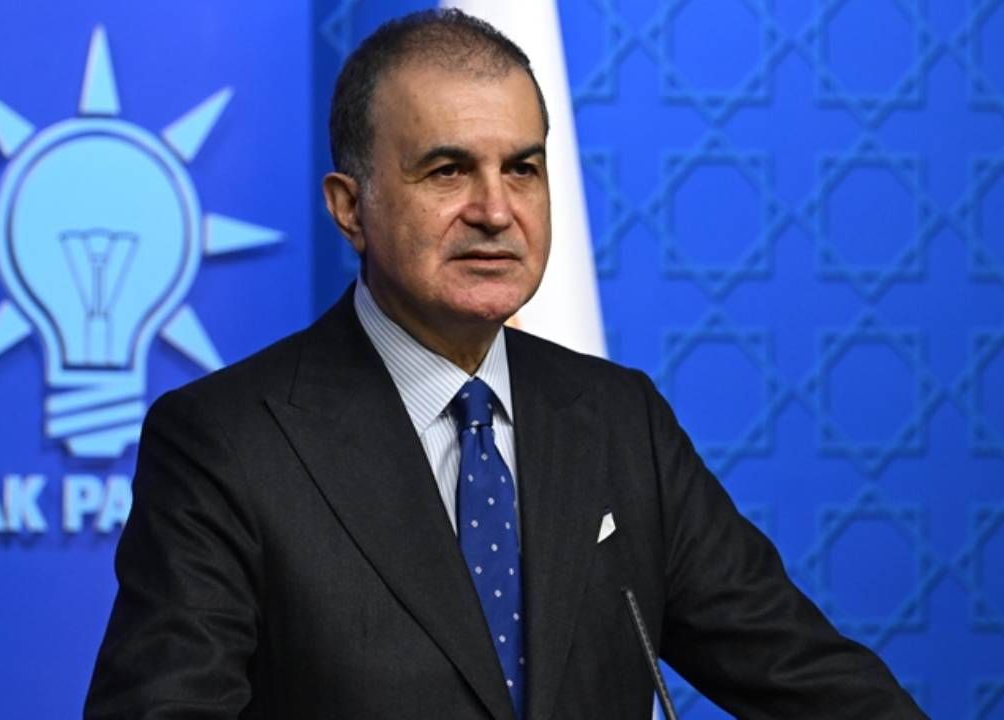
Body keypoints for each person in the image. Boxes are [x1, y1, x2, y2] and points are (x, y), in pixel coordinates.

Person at [86, 9, 927, 719]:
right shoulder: (226, 445)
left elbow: (806, 677)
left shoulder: (619, 420)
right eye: (447, 170)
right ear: (350, 208)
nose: (495, 210)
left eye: (522, 169)